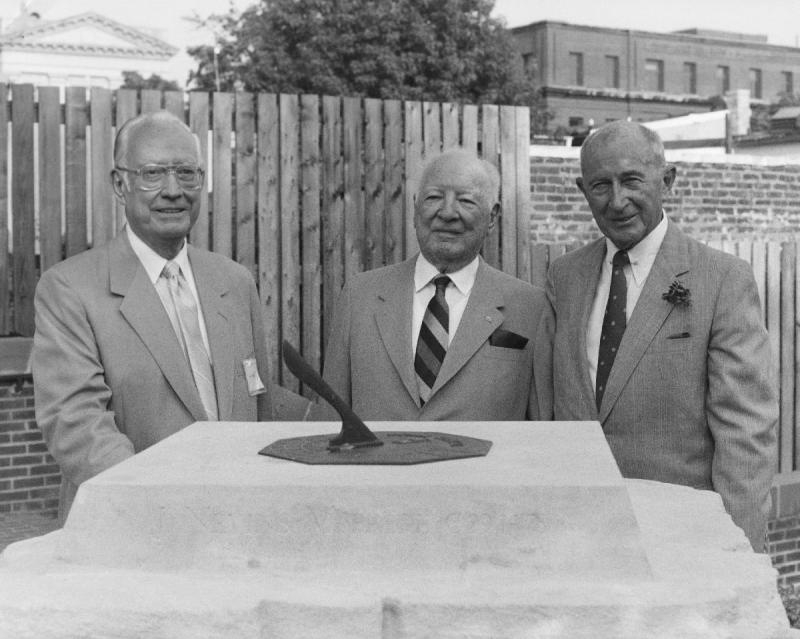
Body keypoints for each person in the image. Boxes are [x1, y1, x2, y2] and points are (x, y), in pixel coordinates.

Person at [32, 111, 274, 521]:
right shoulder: (70, 290)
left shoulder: (234, 283)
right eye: (152, 174)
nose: (173, 190)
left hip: (236, 524)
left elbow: (259, 405)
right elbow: (77, 427)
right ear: (119, 185)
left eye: (187, 173)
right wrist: (170, 509)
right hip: (132, 529)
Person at [547, 120, 777, 551]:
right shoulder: (565, 276)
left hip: (681, 538)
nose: (618, 201)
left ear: (667, 180)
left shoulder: (722, 279)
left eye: (632, 180)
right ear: (582, 190)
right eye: (601, 186)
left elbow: (745, 434)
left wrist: (735, 554)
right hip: (580, 535)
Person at [322, 148, 552, 421]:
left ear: (492, 217)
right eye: (434, 198)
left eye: (466, 201)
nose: (447, 212)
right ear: (416, 207)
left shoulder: (531, 308)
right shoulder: (360, 295)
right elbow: (329, 418)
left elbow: (542, 431)